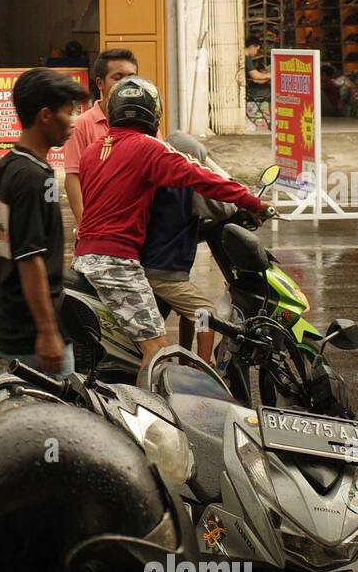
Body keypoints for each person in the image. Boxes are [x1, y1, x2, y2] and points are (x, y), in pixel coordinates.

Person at [74, 76, 271, 373]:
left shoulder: (93, 151)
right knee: (158, 353)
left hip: (85, 256)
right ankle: (150, 413)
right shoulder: (148, 149)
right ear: (152, 113)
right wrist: (253, 202)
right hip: (117, 263)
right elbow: (203, 178)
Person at [0, 68, 90, 378]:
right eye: (68, 112)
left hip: (9, 320)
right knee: (58, 422)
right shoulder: (33, 179)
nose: (73, 122)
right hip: (31, 331)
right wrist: (47, 332)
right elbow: (30, 258)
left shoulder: (6, 167)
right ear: (45, 115)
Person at [141, 131, 237, 363]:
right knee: (206, 314)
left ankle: (184, 359)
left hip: (150, 265)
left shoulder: (161, 183)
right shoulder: (188, 186)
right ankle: (203, 368)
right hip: (165, 274)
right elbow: (225, 208)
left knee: (187, 311)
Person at [63, 48, 138, 233]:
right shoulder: (82, 125)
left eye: (132, 77)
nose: (126, 83)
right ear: (100, 83)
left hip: (138, 228)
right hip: (99, 229)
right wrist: (85, 228)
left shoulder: (145, 122)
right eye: (118, 77)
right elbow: (73, 177)